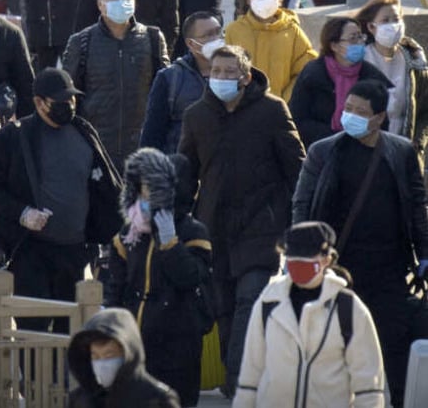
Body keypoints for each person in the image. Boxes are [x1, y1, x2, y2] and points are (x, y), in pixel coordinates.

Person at [178, 44, 305, 396]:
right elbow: (186, 174)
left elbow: (297, 168)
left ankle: (238, 383)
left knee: (251, 300)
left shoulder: (272, 110)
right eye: (215, 72)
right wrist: (177, 221)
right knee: (224, 308)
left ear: (246, 77)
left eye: (229, 72)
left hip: (262, 225)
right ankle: (243, 377)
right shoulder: (197, 115)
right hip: (213, 227)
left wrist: (299, 220)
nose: (221, 78)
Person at [292, 80, 428, 407]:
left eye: (360, 112)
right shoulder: (323, 152)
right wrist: (300, 252)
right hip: (338, 269)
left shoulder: (401, 152)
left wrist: (425, 254)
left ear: (379, 117)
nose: (349, 116)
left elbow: (417, 205)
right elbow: (302, 204)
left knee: (389, 347)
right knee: (336, 345)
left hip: (390, 271)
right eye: (347, 109)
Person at [0, 67, 121, 334]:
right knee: (33, 328)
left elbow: (106, 184)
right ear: (38, 102)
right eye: (60, 101)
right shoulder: (13, 136)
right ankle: (33, 377)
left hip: (75, 251)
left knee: (68, 331)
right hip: (31, 250)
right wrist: (23, 213)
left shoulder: (83, 131)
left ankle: (59, 378)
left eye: (72, 100)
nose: (68, 106)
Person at [234, 221, 385, 408]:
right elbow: (250, 374)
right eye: (293, 259)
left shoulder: (349, 308)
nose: (298, 266)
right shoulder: (269, 303)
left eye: (305, 260)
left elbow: (368, 385)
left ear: (326, 260)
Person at [102, 149, 211, 408]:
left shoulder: (192, 231)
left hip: (178, 342)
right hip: (137, 341)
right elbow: (116, 284)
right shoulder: (130, 234)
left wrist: (170, 242)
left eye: (151, 189)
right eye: (141, 189)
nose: (145, 197)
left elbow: (191, 276)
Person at [63, 0, 168, 171]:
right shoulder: (82, 42)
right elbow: (68, 96)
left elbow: (165, 92)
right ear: (100, 4)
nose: (121, 2)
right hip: (95, 147)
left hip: (142, 147)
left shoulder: (153, 39)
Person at [288, 18, 391, 149]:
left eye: (361, 37)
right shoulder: (313, 74)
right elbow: (297, 118)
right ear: (334, 46)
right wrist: (334, 138)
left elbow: (382, 122)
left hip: (362, 150)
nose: (360, 43)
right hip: (319, 149)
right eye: (353, 38)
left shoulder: (371, 76)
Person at [355, 0, 428, 167]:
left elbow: (425, 109)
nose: (393, 25)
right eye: (385, 20)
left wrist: (418, 144)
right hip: (366, 153)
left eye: (396, 19)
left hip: (405, 151)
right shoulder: (360, 60)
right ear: (372, 27)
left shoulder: (414, 59)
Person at [225, 0, 315, 102]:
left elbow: (305, 67)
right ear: (248, 0)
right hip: (243, 105)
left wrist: (287, 98)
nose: (264, 0)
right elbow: (227, 67)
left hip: (282, 106)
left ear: (280, 0)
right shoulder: (234, 30)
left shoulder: (292, 30)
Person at [140, 11, 223, 154]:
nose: (216, 39)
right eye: (208, 35)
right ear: (191, 43)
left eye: (218, 32)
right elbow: (153, 134)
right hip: (182, 168)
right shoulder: (170, 78)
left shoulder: (235, 73)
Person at [67, 309, 181, 407]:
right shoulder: (81, 400)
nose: (101, 363)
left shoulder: (156, 400)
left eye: (109, 356)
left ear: (128, 354)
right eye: (95, 357)